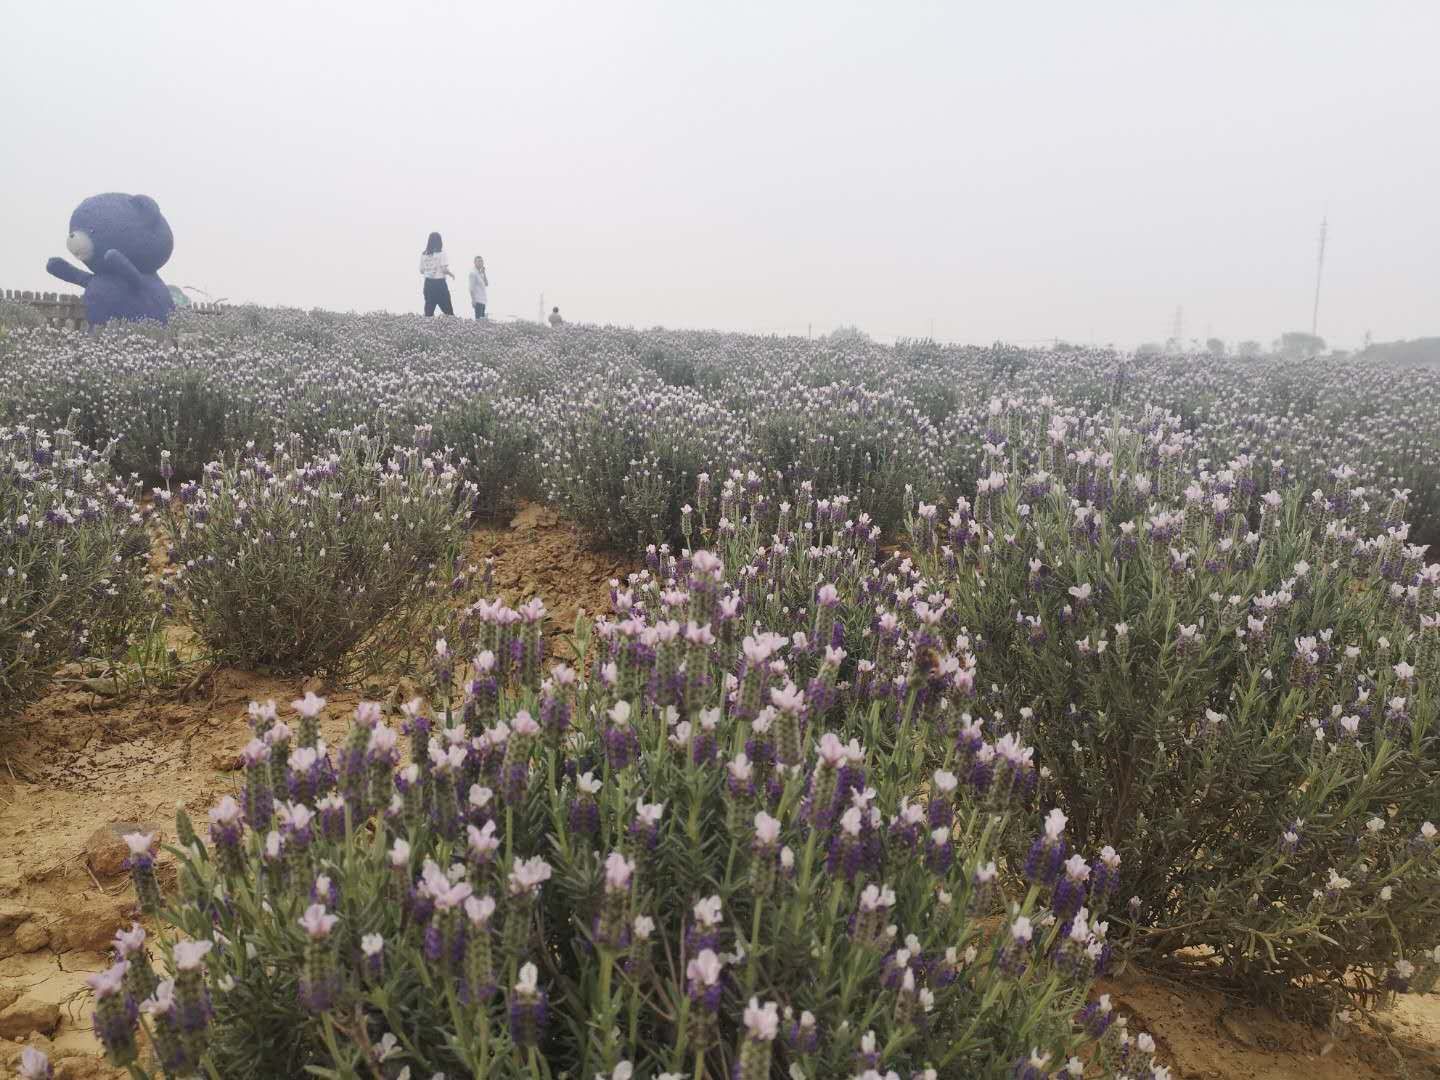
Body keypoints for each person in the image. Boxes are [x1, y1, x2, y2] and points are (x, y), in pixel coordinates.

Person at [419, 232, 454, 316]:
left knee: (429, 311)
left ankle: (427, 328)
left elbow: (421, 270)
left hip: (428, 283)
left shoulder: (423, 254)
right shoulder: (442, 253)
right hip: (440, 284)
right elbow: (444, 269)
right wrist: (451, 274)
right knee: (448, 311)